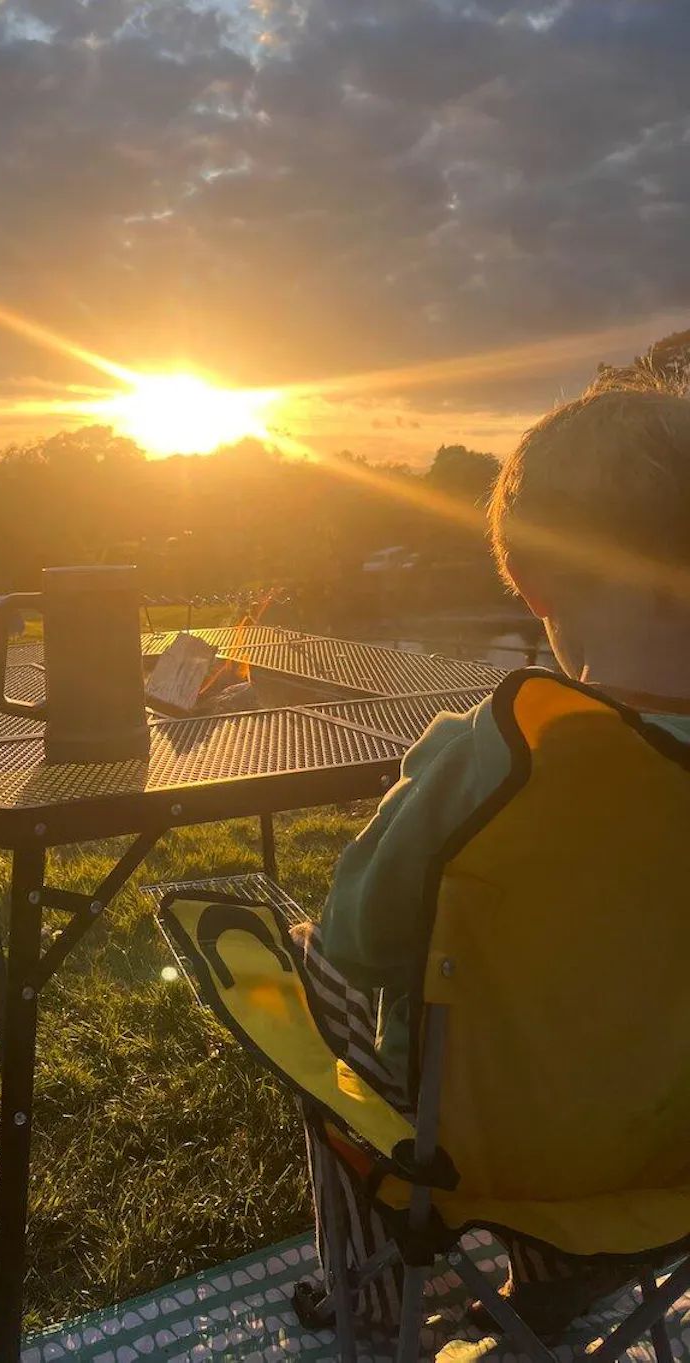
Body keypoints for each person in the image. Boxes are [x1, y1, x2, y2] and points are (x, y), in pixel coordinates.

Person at [298, 387, 690, 1335]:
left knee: (308, 960)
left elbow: (359, 937)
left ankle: (377, 1283)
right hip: (676, 1149)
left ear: (536, 585)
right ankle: (560, 1263)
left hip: (473, 1151)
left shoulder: (495, 752)